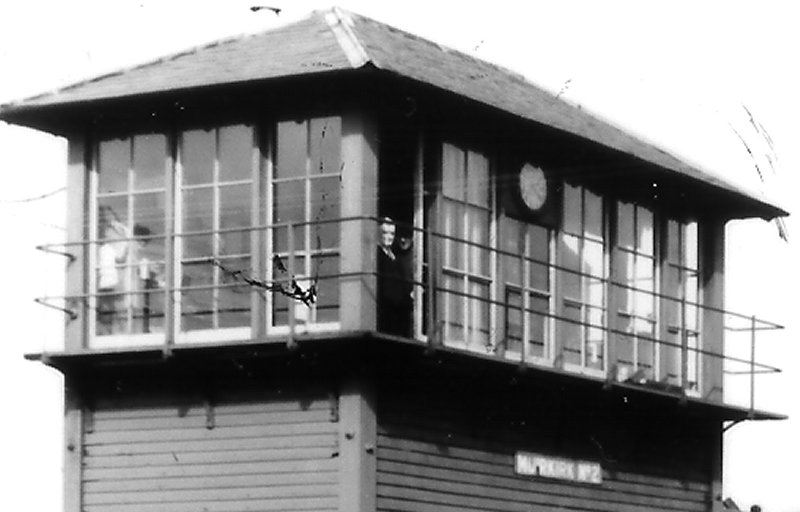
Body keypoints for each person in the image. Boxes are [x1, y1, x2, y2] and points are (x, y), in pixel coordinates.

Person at [377, 217, 413, 336]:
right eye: (385, 232)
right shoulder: (377, 254)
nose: (389, 236)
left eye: (392, 233)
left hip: (398, 307)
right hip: (387, 307)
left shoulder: (395, 256)